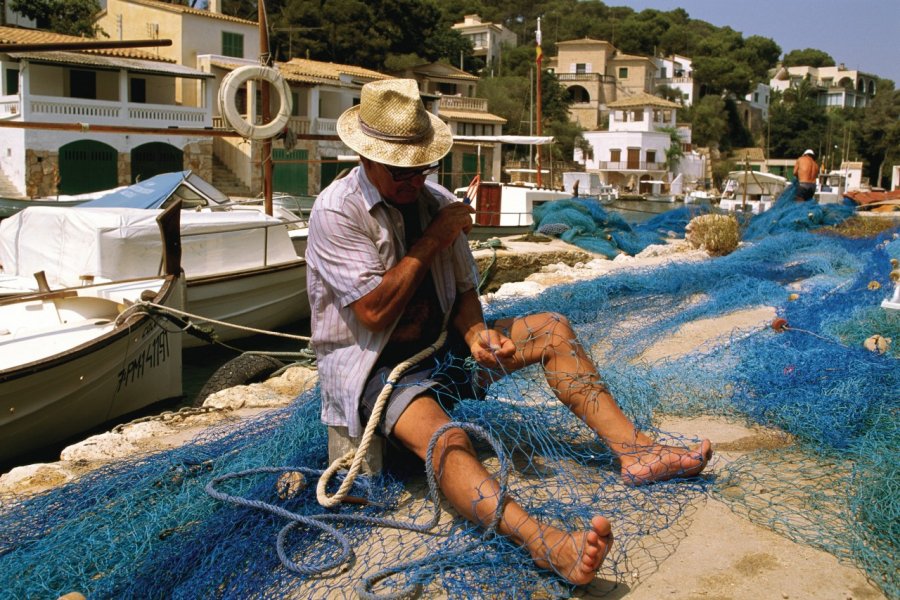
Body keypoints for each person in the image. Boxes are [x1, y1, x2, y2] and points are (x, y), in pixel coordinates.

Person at [306, 79, 712, 586]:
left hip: (444, 349)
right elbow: (372, 311)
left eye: (421, 167)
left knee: (553, 331)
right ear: (366, 157)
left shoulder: (434, 199)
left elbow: (461, 289)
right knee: (448, 440)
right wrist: (436, 235)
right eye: (400, 170)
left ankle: (637, 452)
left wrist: (476, 333)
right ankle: (545, 542)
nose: (414, 179)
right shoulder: (336, 211)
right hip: (380, 367)